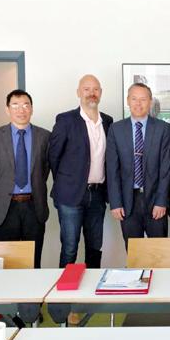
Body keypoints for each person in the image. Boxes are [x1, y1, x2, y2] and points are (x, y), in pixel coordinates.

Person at [49, 75, 113, 268]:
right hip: (70, 195)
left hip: (98, 194)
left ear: (101, 93)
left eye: (95, 89)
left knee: (95, 247)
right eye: (86, 89)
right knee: (70, 248)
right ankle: (64, 288)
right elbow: (54, 157)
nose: (91, 93)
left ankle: (92, 287)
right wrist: (68, 182)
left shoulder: (108, 121)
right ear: (78, 92)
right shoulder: (65, 120)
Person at [0, 90, 50, 268]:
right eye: (15, 105)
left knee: (33, 260)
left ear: (32, 109)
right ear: (7, 110)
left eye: (25, 105)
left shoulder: (45, 136)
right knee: (6, 263)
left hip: (34, 205)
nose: (21, 110)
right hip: (5, 208)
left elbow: (44, 170)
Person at [106, 83, 170, 248]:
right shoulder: (115, 129)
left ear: (150, 101)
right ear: (128, 101)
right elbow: (112, 169)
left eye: (143, 99)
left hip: (155, 198)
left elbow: (166, 168)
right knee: (134, 251)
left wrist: (161, 201)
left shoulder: (163, 128)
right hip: (128, 200)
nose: (138, 103)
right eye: (134, 99)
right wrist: (116, 202)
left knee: (159, 251)